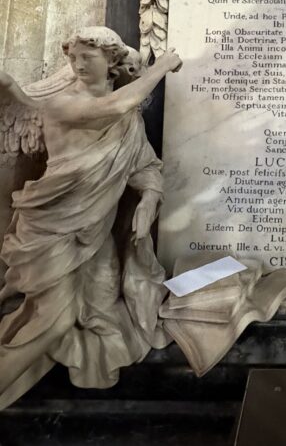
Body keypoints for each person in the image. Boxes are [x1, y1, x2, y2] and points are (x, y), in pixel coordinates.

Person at [0, 26, 181, 409]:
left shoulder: (129, 122)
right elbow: (111, 107)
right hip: (53, 230)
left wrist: (149, 198)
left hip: (97, 233)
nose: (78, 64)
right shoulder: (61, 104)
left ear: (111, 61)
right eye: (73, 57)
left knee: (104, 314)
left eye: (88, 57)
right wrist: (161, 67)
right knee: (54, 321)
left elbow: (143, 165)